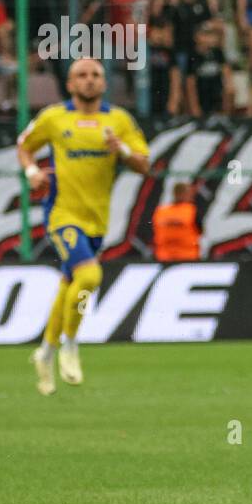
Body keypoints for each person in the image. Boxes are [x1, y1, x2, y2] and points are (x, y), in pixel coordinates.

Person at [18, 58, 150, 395]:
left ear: (104, 84)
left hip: (97, 220)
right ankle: (71, 345)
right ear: (70, 84)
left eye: (95, 75)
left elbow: (144, 164)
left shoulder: (118, 120)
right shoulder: (53, 117)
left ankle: (45, 353)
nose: (89, 81)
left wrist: (120, 150)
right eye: (81, 75)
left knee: (69, 285)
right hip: (62, 214)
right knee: (89, 277)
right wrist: (32, 172)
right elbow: (24, 146)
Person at [153, 182, 200, 261]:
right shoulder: (191, 210)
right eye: (189, 193)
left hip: (164, 256)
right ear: (182, 194)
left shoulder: (160, 211)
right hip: (188, 257)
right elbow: (200, 231)